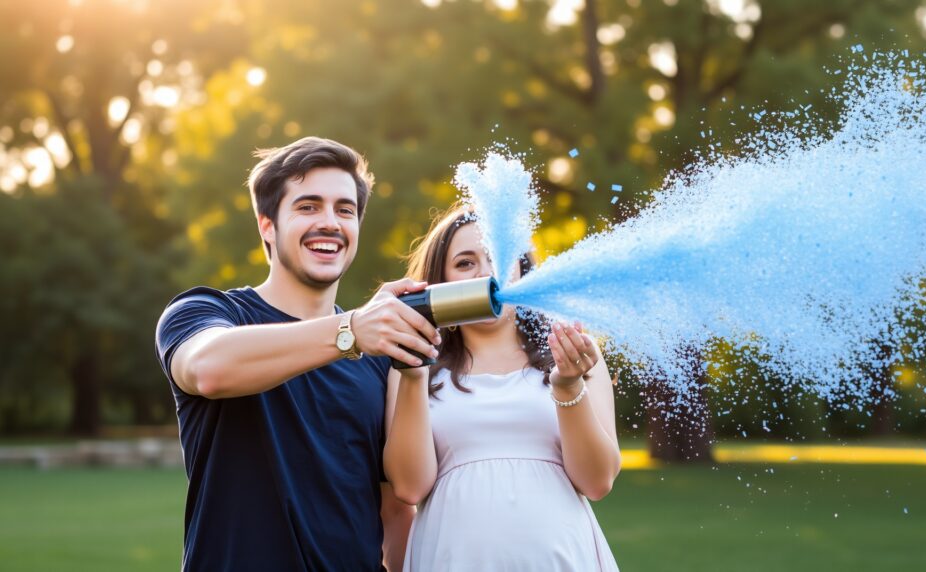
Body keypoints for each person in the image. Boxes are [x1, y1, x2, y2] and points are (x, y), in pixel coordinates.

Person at [155, 137, 441, 571]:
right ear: (266, 225)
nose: (329, 222)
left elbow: (397, 509)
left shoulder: (381, 355)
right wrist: (350, 332)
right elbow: (208, 369)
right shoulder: (208, 312)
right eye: (308, 207)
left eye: (345, 210)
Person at [383, 205, 622, 571]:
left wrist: (567, 386)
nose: (486, 274)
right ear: (440, 281)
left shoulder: (573, 355)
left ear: (522, 270)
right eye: (465, 263)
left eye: (499, 258)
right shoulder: (411, 367)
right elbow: (409, 488)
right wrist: (415, 372)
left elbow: (598, 482)